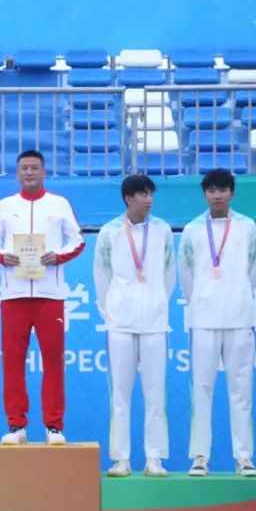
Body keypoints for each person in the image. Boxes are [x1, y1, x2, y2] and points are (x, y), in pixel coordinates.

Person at [0, 150, 84, 445]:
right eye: (24, 168)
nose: (29, 173)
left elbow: (77, 239)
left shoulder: (59, 204)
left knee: (53, 361)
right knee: (13, 362)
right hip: (13, 295)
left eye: (34, 168)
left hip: (49, 294)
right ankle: (16, 424)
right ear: (17, 173)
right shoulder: (5, 206)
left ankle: (54, 426)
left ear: (44, 172)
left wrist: (59, 255)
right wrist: (3, 257)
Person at [177, 168, 256, 477]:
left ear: (232, 193)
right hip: (203, 318)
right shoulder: (192, 229)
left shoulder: (247, 227)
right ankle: (200, 456)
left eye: (223, 190)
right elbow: (186, 275)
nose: (217, 195)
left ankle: (244, 457)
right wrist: (201, 300)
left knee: (241, 389)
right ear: (204, 195)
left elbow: (253, 271)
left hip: (239, 318)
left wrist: (238, 297)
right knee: (201, 388)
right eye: (212, 190)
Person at [94, 175, 175, 477]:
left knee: (155, 394)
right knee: (120, 394)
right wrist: (111, 313)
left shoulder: (163, 230)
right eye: (142, 194)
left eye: (150, 194)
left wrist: (157, 304)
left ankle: (154, 458)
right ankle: (121, 458)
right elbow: (102, 275)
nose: (148, 199)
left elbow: (169, 275)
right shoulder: (109, 232)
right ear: (128, 198)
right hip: (120, 323)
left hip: (155, 323)